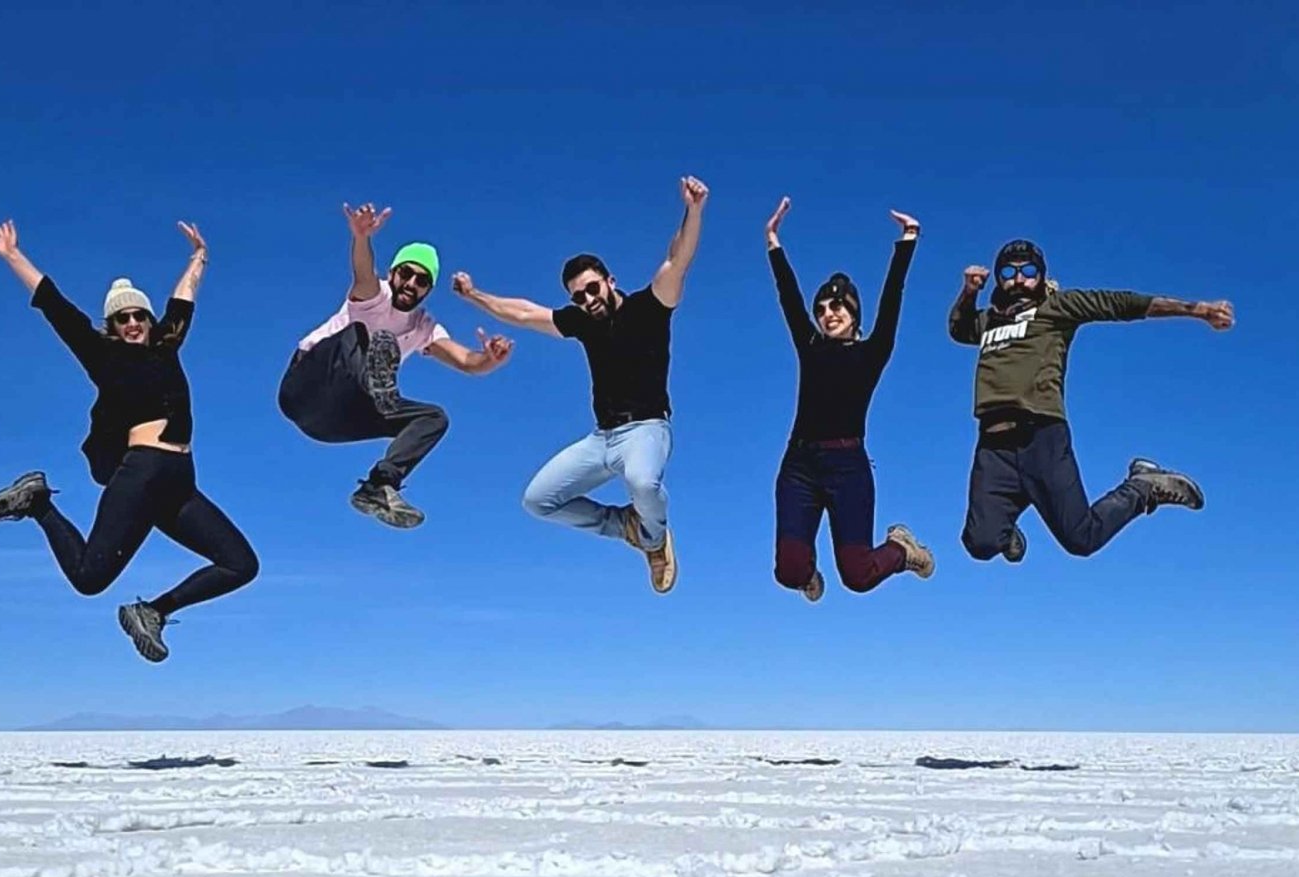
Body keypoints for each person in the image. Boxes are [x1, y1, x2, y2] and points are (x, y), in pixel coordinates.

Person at [0, 220, 259, 663]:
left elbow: (184, 300)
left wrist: (199, 257)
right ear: (113, 325)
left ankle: (151, 612)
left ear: (149, 320)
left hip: (180, 486)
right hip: (142, 475)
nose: (132, 322)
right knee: (90, 579)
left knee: (241, 564)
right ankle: (38, 505)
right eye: (122, 317)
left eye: (138, 315)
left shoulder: (167, 345)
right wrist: (14, 256)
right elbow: (55, 306)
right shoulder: (103, 355)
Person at [451, 176, 709, 593]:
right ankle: (626, 526)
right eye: (578, 296)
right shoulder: (581, 323)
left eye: (592, 288)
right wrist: (474, 295)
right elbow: (523, 314)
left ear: (609, 280)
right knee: (537, 501)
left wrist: (693, 210)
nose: (587, 300)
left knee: (643, 483)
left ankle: (655, 538)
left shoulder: (650, 306)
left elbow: (677, 259)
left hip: (646, 429)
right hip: (601, 440)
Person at [948, 238, 1235, 562]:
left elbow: (1120, 304)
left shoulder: (1057, 307)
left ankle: (1142, 486)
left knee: (1080, 539)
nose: (1018, 279)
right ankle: (1004, 524)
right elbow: (958, 329)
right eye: (1008, 272)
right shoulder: (988, 321)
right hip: (993, 446)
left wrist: (1197, 310)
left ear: (1041, 275)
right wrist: (969, 292)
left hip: (1041, 436)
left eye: (1028, 271)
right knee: (980, 543)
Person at [278, 203, 513, 528]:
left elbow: (466, 362)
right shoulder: (375, 294)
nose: (410, 284)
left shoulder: (425, 327)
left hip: (331, 423)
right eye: (406, 274)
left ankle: (379, 486)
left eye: (421, 281)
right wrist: (361, 237)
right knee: (360, 333)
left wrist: (490, 358)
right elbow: (362, 273)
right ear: (393, 273)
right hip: (306, 386)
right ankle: (374, 384)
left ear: (428, 290)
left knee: (433, 417)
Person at [765, 198, 935, 602]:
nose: (828, 313)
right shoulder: (810, 346)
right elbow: (789, 297)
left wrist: (907, 241)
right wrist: (773, 242)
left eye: (837, 305)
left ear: (855, 312)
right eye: (821, 308)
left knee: (857, 577)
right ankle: (806, 574)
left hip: (848, 469)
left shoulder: (873, 352)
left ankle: (903, 550)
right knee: (788, 571)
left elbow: (893, 296)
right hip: (800, 466)